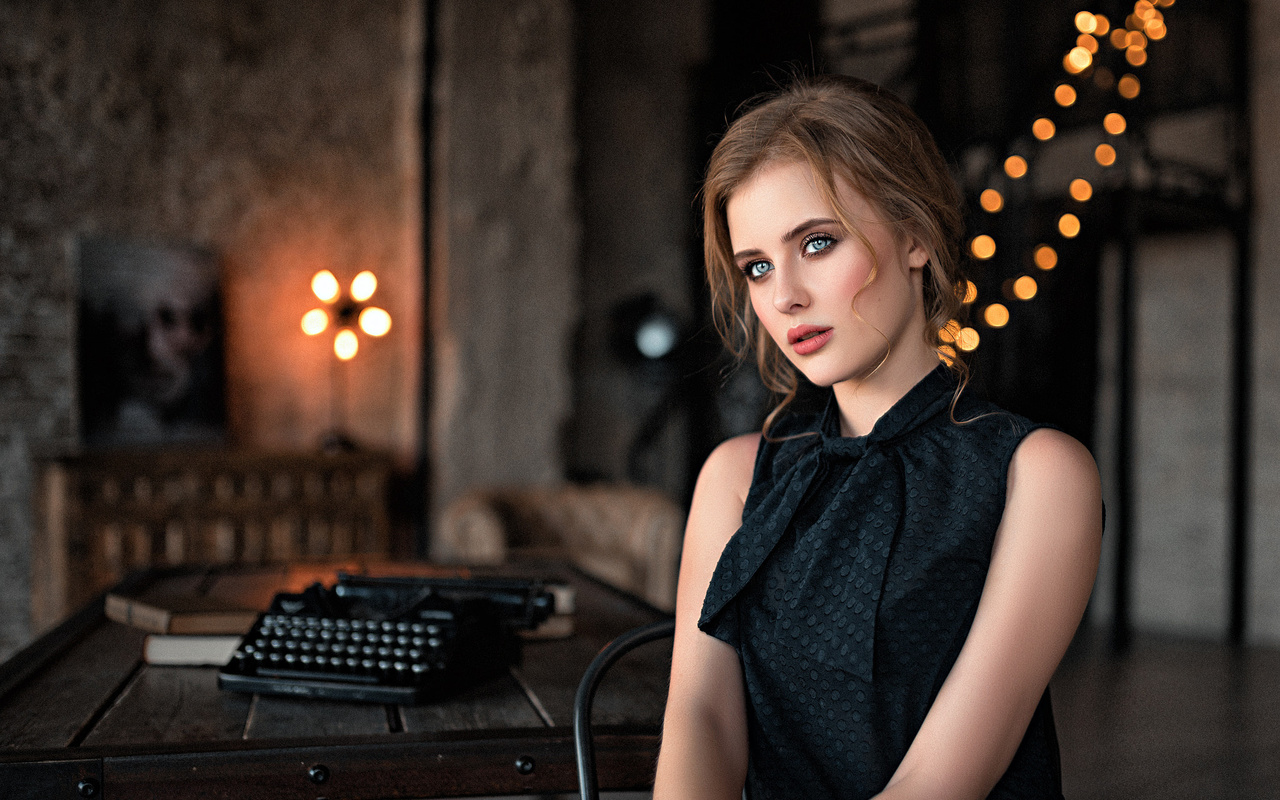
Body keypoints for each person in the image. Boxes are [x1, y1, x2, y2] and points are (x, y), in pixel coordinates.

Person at [653, 75, 1102, 799]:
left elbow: (941, 780)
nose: (785, 294)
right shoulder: (737, 476)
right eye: (758, 267)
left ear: (916, 236)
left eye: (819, 243)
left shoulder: (1038, 473)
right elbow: (699, 718)